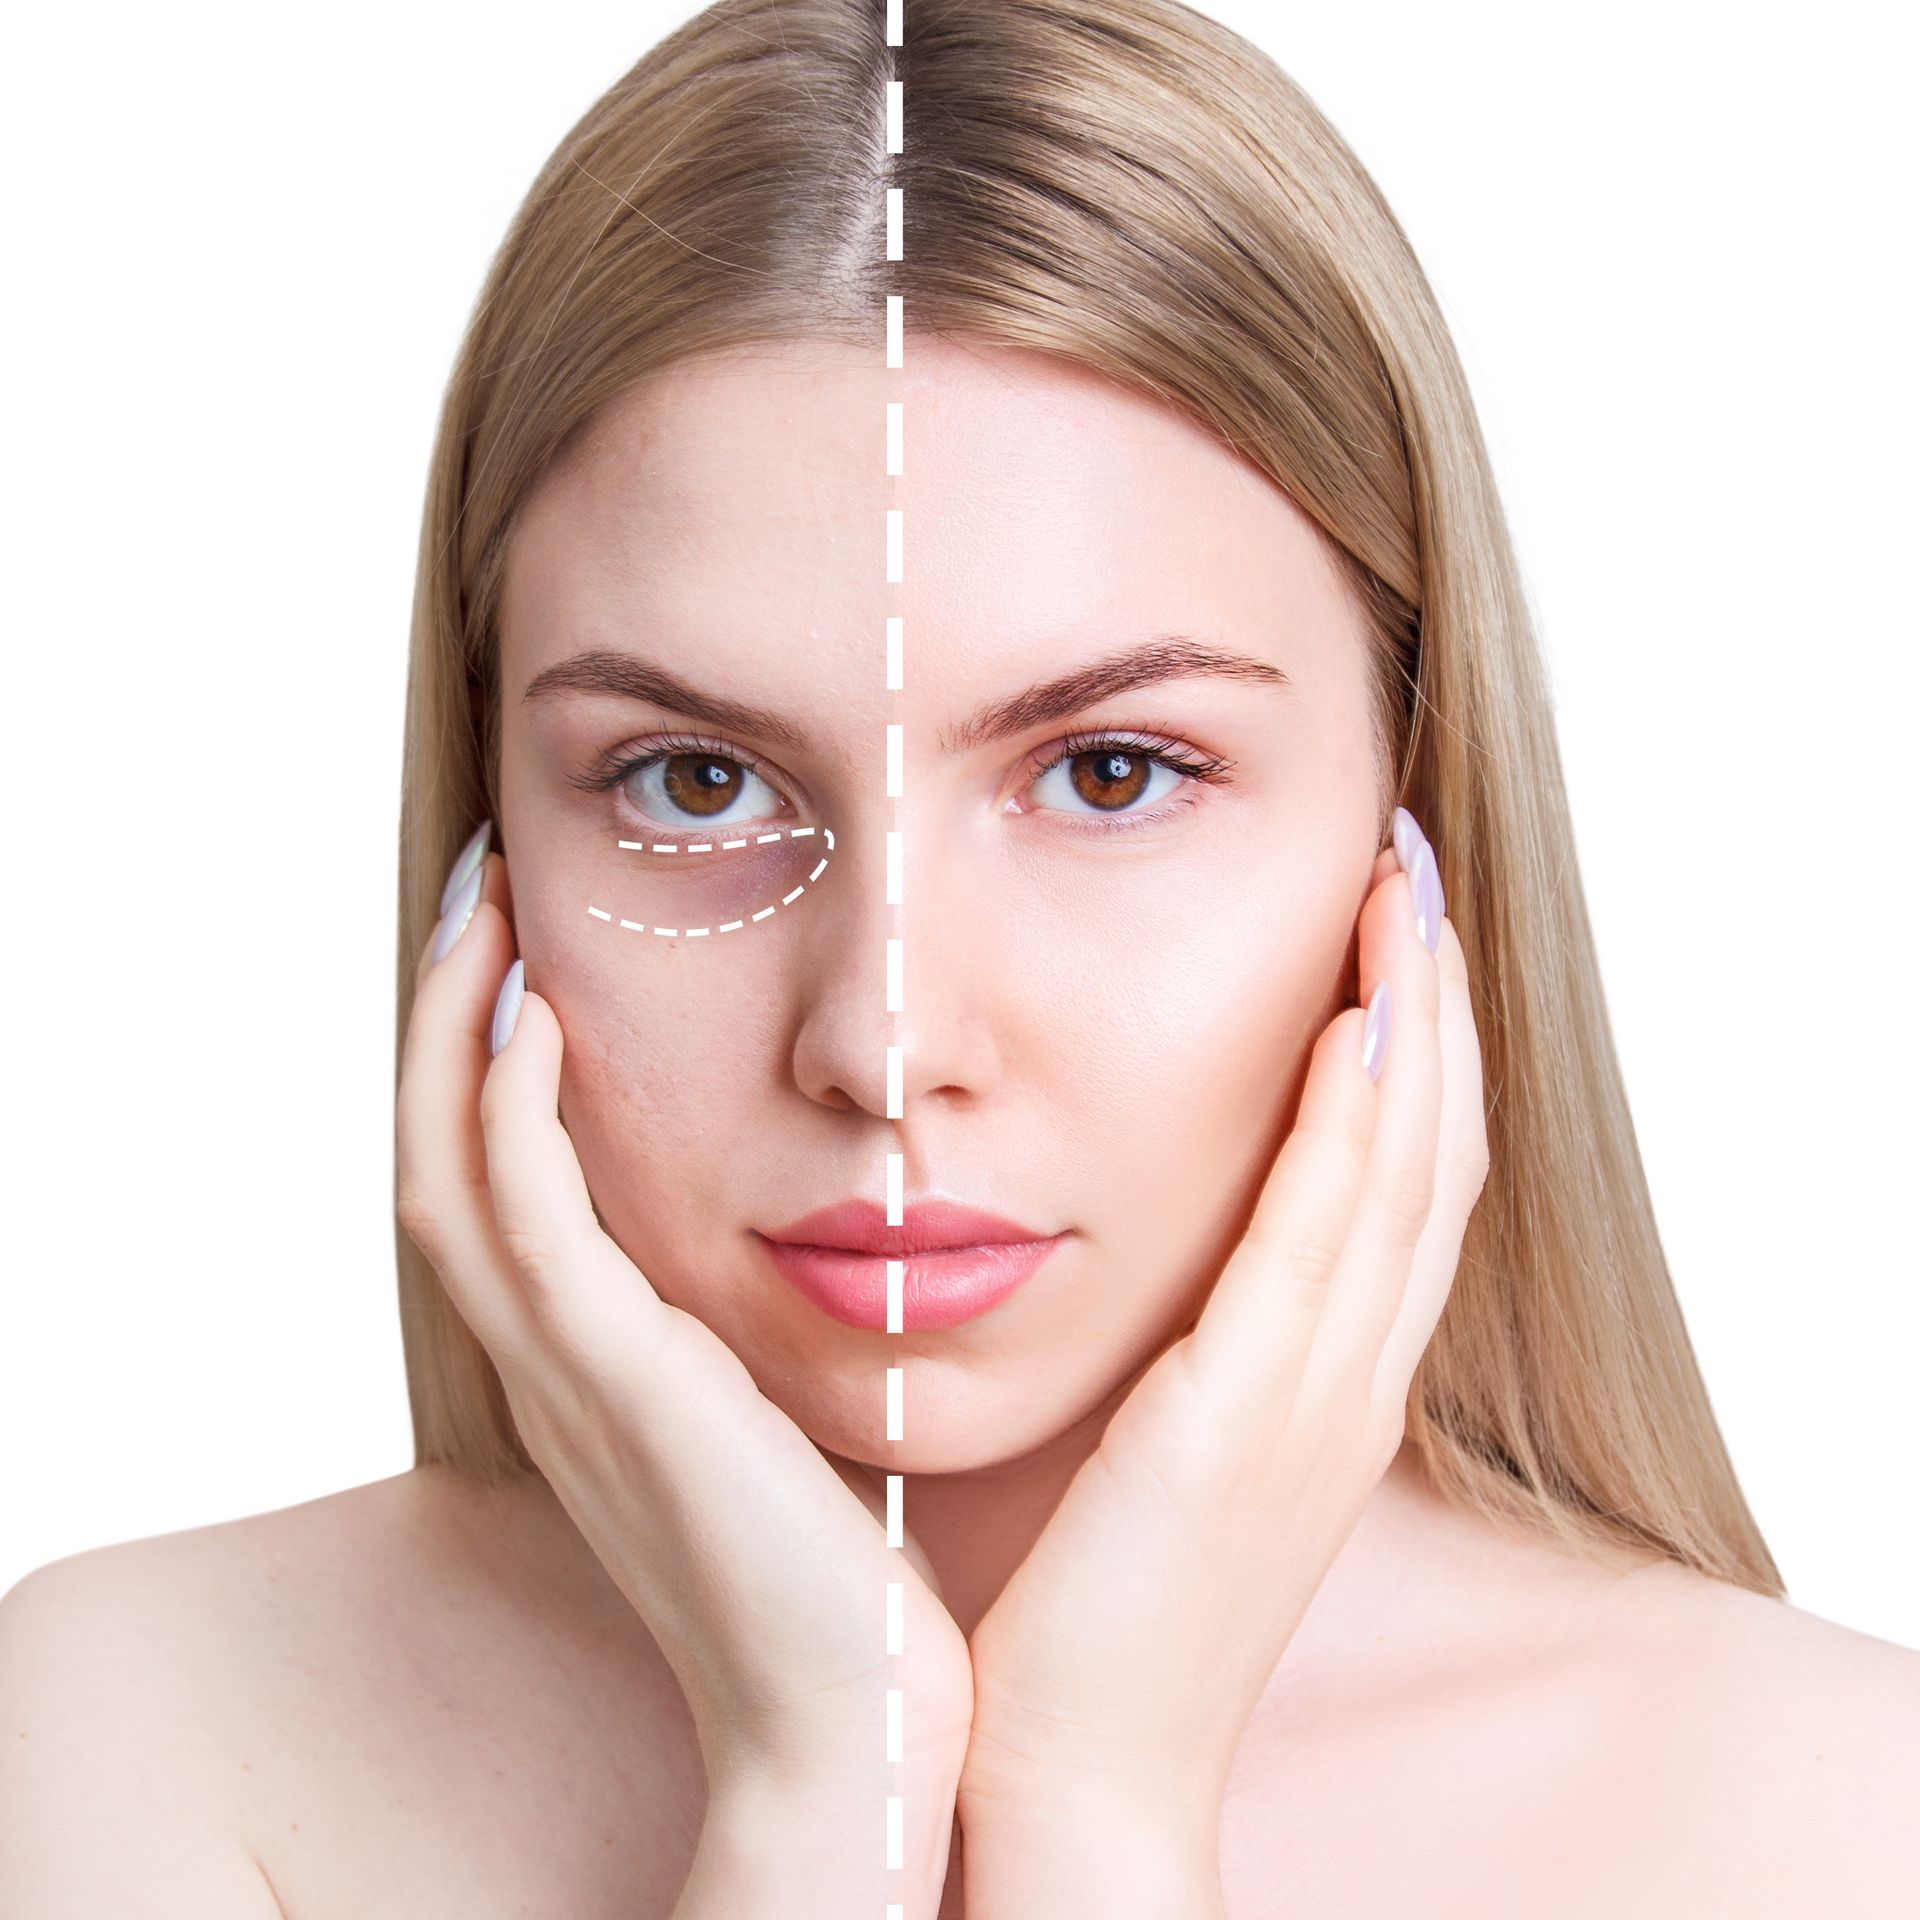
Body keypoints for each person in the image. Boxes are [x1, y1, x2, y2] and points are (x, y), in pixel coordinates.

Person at [4, 1, 1916, 1914]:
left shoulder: (1840, 1817)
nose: (884, 1037)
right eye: (692, 779)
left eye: (1110, 772)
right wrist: (819, 1784)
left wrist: (1096, 1809)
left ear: (1412, 835)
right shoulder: (139, 1735)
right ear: (492, 836)